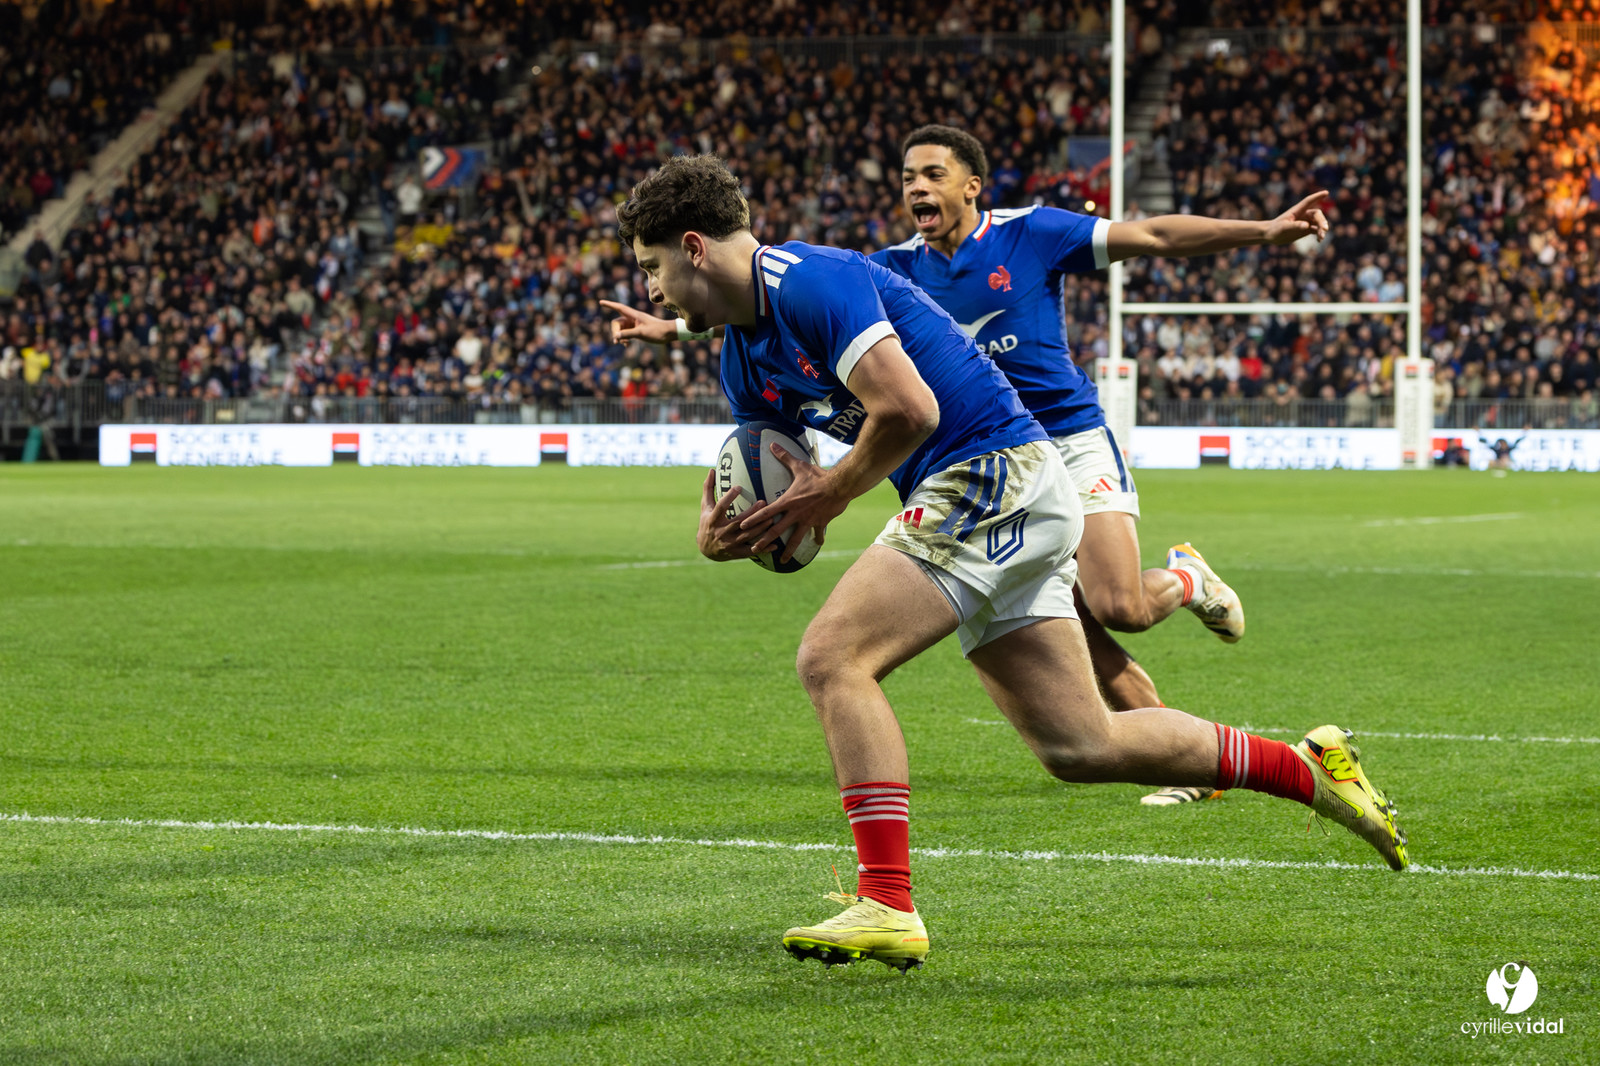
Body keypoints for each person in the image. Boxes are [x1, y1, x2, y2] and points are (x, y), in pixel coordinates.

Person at [614, 155, 1407, 972]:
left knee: (832, 658)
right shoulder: (741, 354)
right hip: (995, 492)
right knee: (1081, 745)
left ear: (694, 245)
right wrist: (727, 529)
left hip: (993, 473)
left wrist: (831, 496)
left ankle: (886, 901)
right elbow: (761, 463)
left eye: (650, 267)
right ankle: (1309, 769)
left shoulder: (808, 278)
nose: (649, 287)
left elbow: (910, 410)